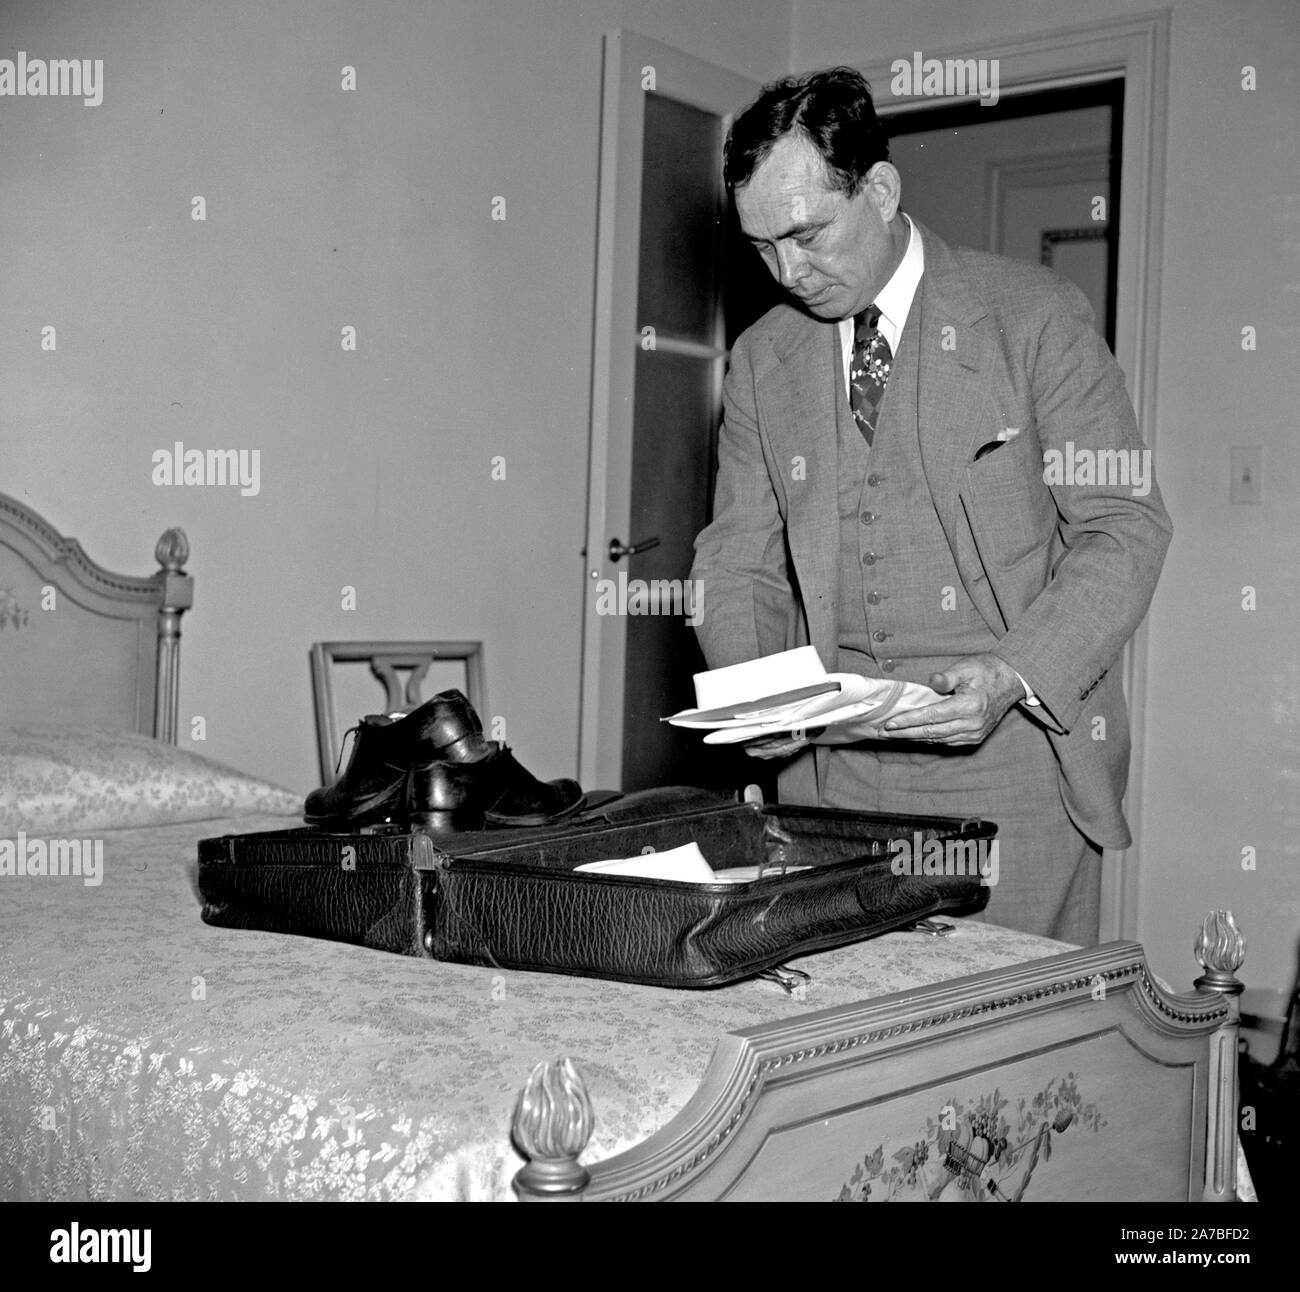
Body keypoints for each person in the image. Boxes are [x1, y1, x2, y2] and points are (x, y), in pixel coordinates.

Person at [690, 67, 1172, 943]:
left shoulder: (1034, 318)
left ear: (879, 189)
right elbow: (737, 558)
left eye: (806, 235)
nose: (786, 272)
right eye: (761, 246)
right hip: (827, 783)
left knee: (1006, 1062)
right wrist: (754, 699)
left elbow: (1124, 527)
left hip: (1013, 768)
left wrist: (1012, 674)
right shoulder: (764, 360)